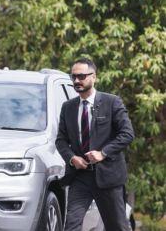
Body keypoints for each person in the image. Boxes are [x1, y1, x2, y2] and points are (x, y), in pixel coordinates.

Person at [56, 57, 134, 231]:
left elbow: (127, 134)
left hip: (108, 177)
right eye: (73, 77)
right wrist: (71, 158)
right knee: (71, 225)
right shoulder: (68, 107)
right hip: (80, 176)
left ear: (94, 77)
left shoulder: (112, 102)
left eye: (82, 76)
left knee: (117, 227)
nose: (77, 80)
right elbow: (61, 140)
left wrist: (103, 153)